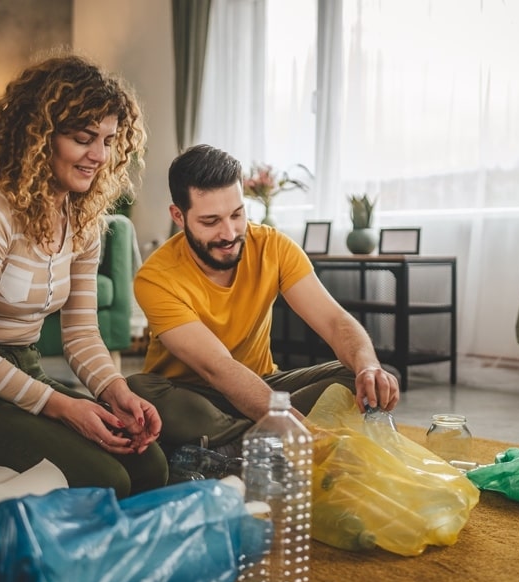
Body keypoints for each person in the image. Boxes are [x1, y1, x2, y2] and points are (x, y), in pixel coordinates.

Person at [0, 53, 167, 500]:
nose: (99, 156)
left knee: (148, 466)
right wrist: (64, 408)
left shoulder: (83, 221)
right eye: (83, 139)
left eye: (108, 140)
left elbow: (81, 335)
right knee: (105, 480)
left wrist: (116, 391)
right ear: (38, 137)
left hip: (22, 371)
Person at [127, 144, 400, 460]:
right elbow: (217, 367)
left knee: (359, 374)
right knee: (139, 390)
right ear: (178, 216)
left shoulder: (274, 246)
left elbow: (334, 321)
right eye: (210, 221)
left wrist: (368, 367)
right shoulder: (156, 277)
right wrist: (300, 430)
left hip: (261, 386)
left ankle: (234, 446)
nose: (229, 233)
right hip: (191, 396)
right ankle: (260, 440)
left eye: (237, 214)